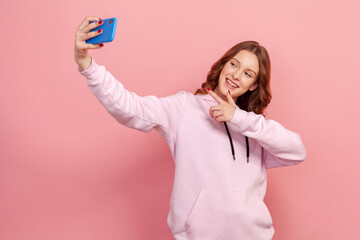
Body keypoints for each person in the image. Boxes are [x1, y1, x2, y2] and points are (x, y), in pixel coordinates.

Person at [74, 16, 306, 240]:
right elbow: (130, 108)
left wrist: (239, 118)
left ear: (253, 85)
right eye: (234, 64)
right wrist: (88, 66)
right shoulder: (185, 107)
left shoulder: (253, 127)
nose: (236, 75)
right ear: (224, 64)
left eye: (247, 73)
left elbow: (296, 151)